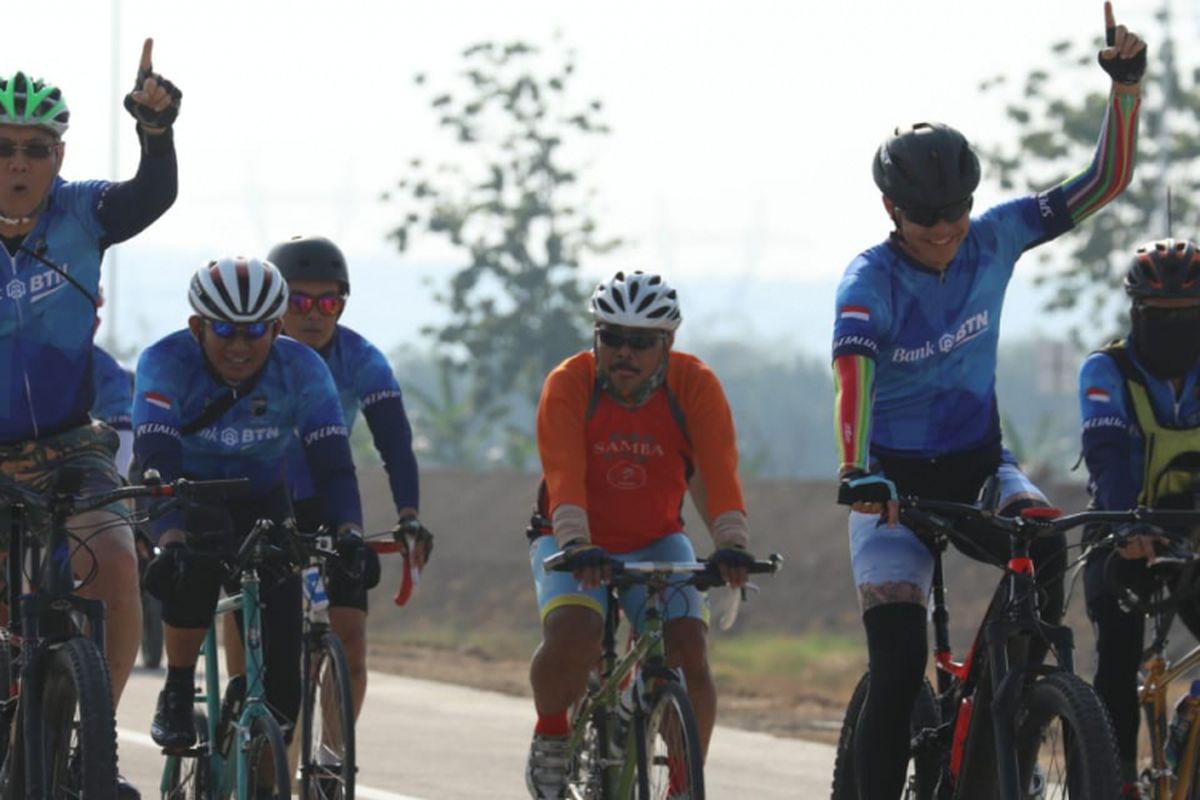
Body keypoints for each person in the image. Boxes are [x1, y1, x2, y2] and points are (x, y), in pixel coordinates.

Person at [831, 5, 1145, 798]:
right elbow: (853, 374)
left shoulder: (996, 236)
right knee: (899, 668)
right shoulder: (870, 280)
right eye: (925, 217)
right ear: (891, 211)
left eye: (956, 212)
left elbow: (1103, 182)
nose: (943, 230)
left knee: (1043, 554)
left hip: (978, 465)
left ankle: (1015, 712)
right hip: (890, 488)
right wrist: (856, 468)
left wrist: (1126, 92)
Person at [0, 39, 181, 799]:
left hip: (70, 440)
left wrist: (156, 132)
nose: (19, 165)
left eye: (36, 150)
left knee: (114, 561)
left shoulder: (81, 212)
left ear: (58, 154)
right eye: (4, 148)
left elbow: (150, 197)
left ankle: (90, 750)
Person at [524, 270, 757, 799]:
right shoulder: (569, 382)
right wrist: (577, 544)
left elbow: (717, 473)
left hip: (656, 536)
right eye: (612, 338)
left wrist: (732, 544)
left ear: (668, 343)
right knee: (574, 637)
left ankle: (680, 782)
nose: (624, 353)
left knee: (688, 650)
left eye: (641, 342)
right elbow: (563, 475)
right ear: (596, 337)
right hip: (571, 537)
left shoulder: (695, 385)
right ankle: (553, 737)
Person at [133, 257, 365, 772]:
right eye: (224, 331)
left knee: (283, 690)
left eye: (256, 331)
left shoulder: (303, 368)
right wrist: (168, 538)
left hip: (262, 498)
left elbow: (333, 465)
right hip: (182, 490)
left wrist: (351, 532)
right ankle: (175, 686)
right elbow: (155, 458)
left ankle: (260, 764)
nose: (239, 346)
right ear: (197, 326)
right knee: (191, 562)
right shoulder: (165, 362)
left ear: (277, 327)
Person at [259, 232, 431, 720]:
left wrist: (409, 514)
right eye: (299, 300)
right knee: (259, 628)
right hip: (260, 498)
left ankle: (332, 769)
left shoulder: (362, 359)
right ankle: (248, 711)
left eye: (328, 301)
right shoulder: (251, 351)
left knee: (350, 641)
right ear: (276, 303)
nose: (314, 312)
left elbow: (395, 442)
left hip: (326, 500)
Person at [1080, 238, 1200, 795]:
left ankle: (1189, 732)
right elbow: (1107, 456)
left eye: (1187, 316)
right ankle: (1114, 779)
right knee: (1117, 659)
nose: (1173, 326)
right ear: (1135, 312)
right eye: (1158, 316)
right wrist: (1127, 526)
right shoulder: (1106, 370)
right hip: (1120, 527)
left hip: (1194, 531)